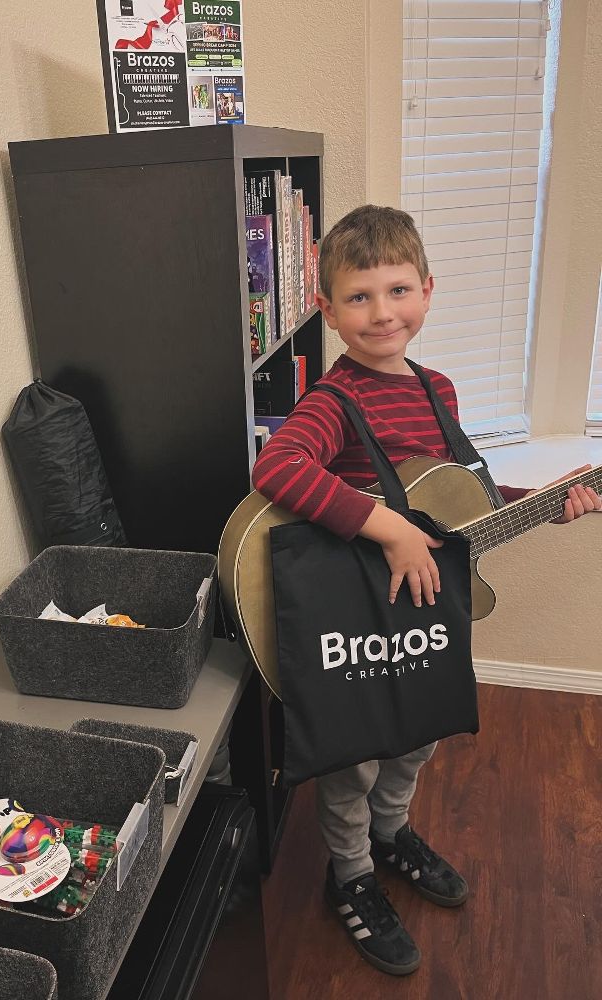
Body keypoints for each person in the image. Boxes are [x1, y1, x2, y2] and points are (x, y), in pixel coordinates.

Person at [251, 204, 601, 977]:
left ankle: (391, 833)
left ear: (429, 291)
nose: (383, 312)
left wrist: (549, 498)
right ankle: (348, 874)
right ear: (328, 309)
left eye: (399, 290)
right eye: (360, 296)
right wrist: (391, 528)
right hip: (358, 619)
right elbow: (276, 469)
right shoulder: (332, 401)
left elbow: (457, 498)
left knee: (418, 733)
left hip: (425, 607)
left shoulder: (436, 388)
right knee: (355, 756)